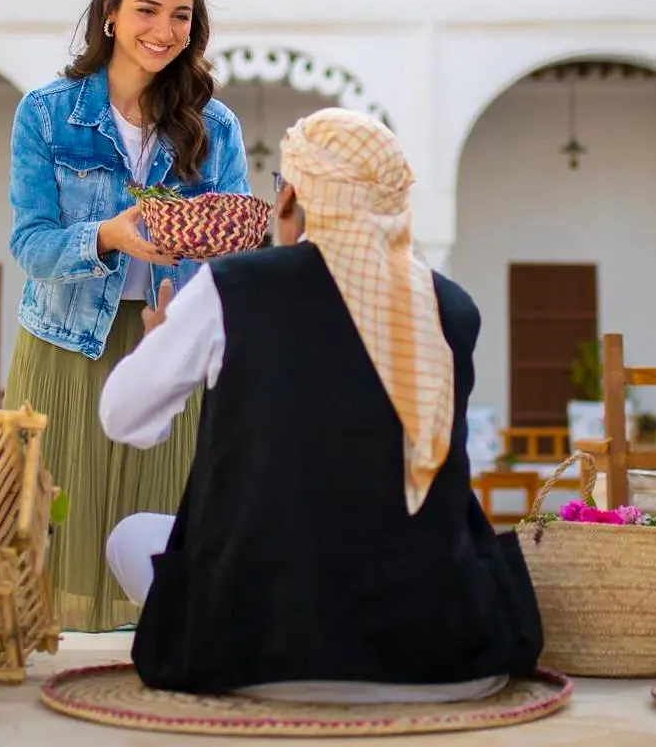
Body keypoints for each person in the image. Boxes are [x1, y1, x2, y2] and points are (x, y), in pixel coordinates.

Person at [100, 108, 543, 700]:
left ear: (288, 198)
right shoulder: (452, 307)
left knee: (132, 536)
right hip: (448, 661)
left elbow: (123, 417)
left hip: (259, 658)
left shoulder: (233, 286)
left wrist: (162, 346)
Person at [4, 0, 251, 632]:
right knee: (55, 526)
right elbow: (30, 244)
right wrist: (107, 236)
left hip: (169, 343)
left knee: (164, 519)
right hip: (64, 345)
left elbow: (231, 251)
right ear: (110, 14)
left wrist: (199, 282)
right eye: (148, 9)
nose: (164, 30)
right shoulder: (46, 114)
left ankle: (159, 658)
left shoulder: (216, 125)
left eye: (181, 16)